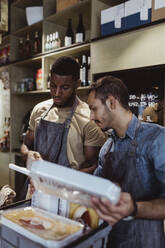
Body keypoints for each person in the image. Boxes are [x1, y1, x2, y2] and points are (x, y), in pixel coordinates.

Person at [87, 75, 165, 247]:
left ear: (111, 103)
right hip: (112, 240)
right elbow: (93, 192)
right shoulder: (106, 149)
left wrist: (135, 208)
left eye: (94, 109)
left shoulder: (156, 139)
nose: (91, 117)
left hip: (147, 241)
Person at [21, 56, 106, 193]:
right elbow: (25, 145)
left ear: (77, 84)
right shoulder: (39, 110)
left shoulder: (88, 118)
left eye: (64, 87)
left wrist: (62, 180)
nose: (57, 93)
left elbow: (97, 167)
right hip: (35, 188)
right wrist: (28, 154)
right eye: (53, 86)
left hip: (69, 194)